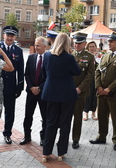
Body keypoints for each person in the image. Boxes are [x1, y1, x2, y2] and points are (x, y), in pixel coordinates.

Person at [41, 33, 81, 162]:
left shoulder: (47, 55)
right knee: (65, 123)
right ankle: (61, 152)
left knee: (50, 123)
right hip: (66, 94)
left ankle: (46, 152)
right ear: (67, 44)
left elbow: (43, 72)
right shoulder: (69, 58)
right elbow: (77, 72)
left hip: (51, 93)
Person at [90, 32, 116, 152]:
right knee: (102, 115)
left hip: (114, 93)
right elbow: (98, 71)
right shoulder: (105, 56)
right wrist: (98, 86)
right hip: (101, 92)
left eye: (112, 41)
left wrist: (109, 88)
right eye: (109, 41)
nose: (109, 43)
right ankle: (101, 136)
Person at [0, 26, 24, 144]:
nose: (9, 38)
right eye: (7, 35)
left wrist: (20, 86)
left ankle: (7, 133)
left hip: (10, 86)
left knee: (10, 112)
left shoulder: (18, 51)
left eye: (12, 36)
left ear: (15, 37)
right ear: (3, 36)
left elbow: (21, 70)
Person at [20, 36, 47, 146]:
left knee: (45, 116)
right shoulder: (31, 57)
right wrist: (31, 87)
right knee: (28, 115)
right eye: (35, 45)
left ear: (44, 46)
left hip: (43, 92)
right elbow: (26, 74)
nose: (36, 47)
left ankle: (43, 137)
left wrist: (39, 88)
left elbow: (49, 76)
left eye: (38, 45)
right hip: (31, 92)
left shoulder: (49, 58)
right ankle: (27, 136)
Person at [71, 33, 95, 149]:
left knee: (77, 116)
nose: (77, 45)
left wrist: (80, 88)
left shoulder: (89, 57)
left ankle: (75, 139)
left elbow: (90, 75)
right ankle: (64, 137)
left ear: (85, 44)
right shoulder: (69, 54)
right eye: (75, 43)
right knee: (65, 116)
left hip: (80, 92)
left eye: (79, 43)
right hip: (67, 90)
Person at [83, 41, 98, 121]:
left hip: (96, 79)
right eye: (90, 46)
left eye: (93, 46)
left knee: (94, 96)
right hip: (88, 79)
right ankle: (85, 113)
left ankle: (93, 113)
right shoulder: (86, 56)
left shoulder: (99, 56)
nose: (92, 48)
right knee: (87, 95)